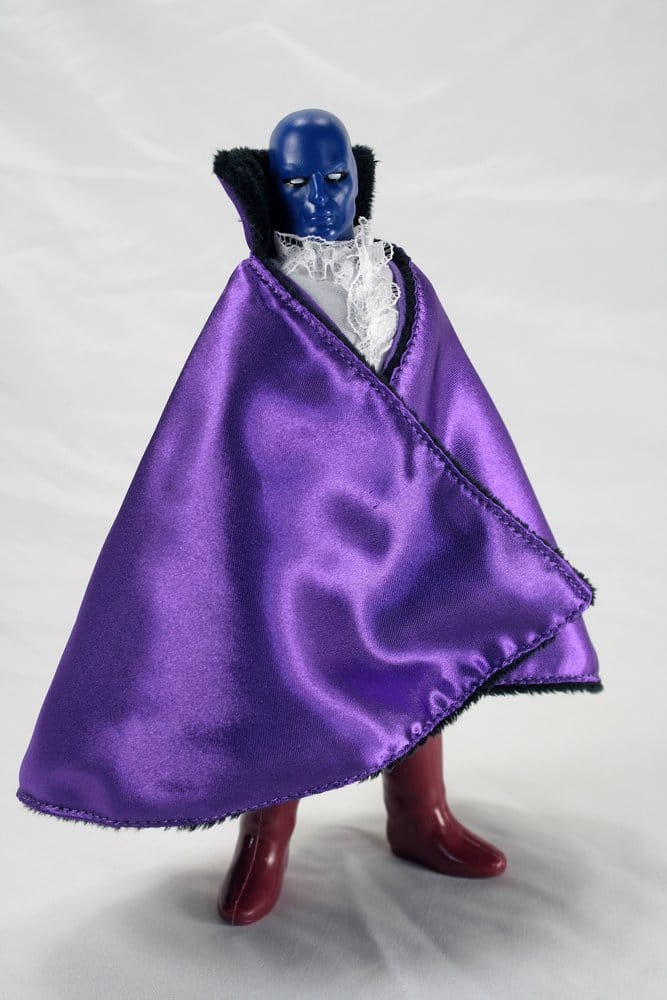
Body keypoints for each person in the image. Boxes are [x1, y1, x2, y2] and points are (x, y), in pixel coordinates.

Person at [16, 108, 600, 931]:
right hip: (297, 532)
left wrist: (464, 504)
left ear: (360, 178)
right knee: (291, 673)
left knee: (423, 651)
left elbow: (451, 396)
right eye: (299, 183)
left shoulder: (398, 279)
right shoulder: (261, 294)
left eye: (336, 179)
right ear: (273, 189)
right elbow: (220, 419)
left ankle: (419, 813)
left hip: (411, 520)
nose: (322, 199)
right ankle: (268, 835)